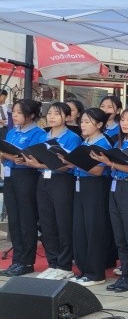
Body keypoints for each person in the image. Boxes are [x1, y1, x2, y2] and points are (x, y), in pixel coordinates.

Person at [91, 107, 128, 293]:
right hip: (116, 186)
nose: (124, 123)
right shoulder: (120, 142)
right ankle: (124, 272)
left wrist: (110, 163)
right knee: (119, 233)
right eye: (123, 119)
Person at [25, 103, 80, 281]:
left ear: (67, 117)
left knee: (62, 223)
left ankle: (65, 265)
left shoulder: (72, 137)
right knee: (47, 223)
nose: (52, 117)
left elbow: (66, 165)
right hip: (43, 180)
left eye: (57, 114)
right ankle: (53, 263)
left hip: (62, 181)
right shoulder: (44, 135)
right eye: (49, 113)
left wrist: (39, 164)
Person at [65, 108, 113, 286]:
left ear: (99, 125)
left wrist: (76, 162)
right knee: (80, 228)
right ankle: (84, 270)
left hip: (95, 187)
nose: (83, 125)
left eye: (87, 122)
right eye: (82, 121)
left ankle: (96, 272)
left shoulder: (102, 143)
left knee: (94, 229)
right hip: (80, 185)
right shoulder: (85, 141)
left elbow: (99, 170)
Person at [0, 99, 46, 277]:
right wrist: (6, 156)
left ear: (31, 115)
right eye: (14, 112)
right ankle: (16, 259)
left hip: (27, 177)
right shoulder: (11, 132)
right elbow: (5, 154)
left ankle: (26, 261)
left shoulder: (38, 133)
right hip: (11, 175)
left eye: (19, 113)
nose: (15, 116)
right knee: (14, 219)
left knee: (27, 219)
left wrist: (18, 158)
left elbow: (38, 159)